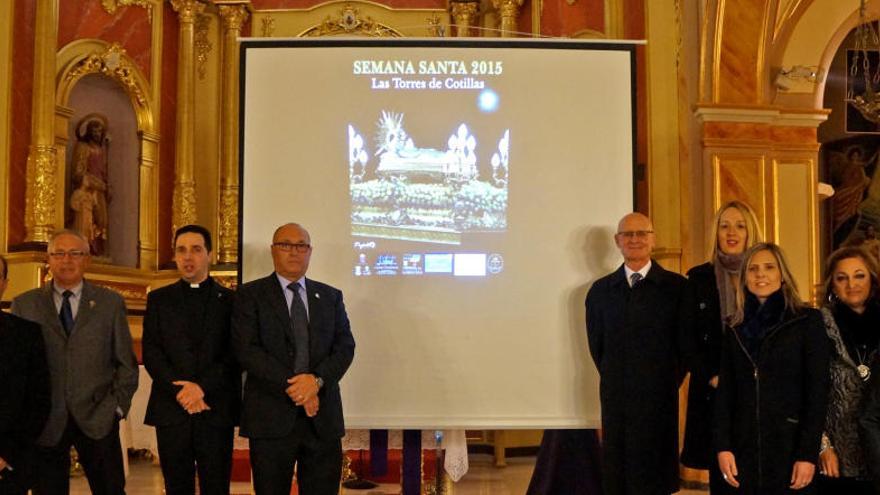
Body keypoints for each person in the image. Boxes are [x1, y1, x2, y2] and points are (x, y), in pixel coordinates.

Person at [11, 229, 138, 495]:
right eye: (59, 253)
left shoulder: (109, 303)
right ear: (49, 259)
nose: (66, 260)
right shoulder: (26, 305)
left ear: (87, 260)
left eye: (74, 254)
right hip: (46, 420)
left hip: (98, 416)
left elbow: (126, 364)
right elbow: (17, 369)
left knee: (111, 489)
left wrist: (116, 408)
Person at [232, 222, 355, 494]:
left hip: (322, 419)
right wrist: (300, 389)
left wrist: (317, 381)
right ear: (273, 250)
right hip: (270, 417)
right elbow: (246, 350)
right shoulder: (249, 295)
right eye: (286, 245)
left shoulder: (330, 297)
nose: (294, 252)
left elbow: (345, 347)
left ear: (310, 252)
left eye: (301, 246)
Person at [585, 212, 692, 495]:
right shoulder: (600, 292)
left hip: (660, 399)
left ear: (653, 239)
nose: (635, 239)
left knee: (655, 477)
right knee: (618, 478)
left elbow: (684, 347)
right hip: (617, 398)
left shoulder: (677, 288)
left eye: (642, 233)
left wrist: (664, 380)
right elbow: (598, 348)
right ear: (617, 241)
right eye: (628, 234)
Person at [715, 243, 830, 494]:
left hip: (790, 445)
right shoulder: (734, 327)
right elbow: (725, 394)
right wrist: (723, 446)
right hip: (743, 447)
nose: (760, 274)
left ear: (782, 274)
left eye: (769, 267)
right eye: (753, 269)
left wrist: (808, 454)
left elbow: (817, 393)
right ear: (744, 276)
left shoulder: (807, 320)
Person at [142, 225, 240, 495]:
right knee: (176, 486)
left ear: (209, 254)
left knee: (216, 486)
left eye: (196, 250)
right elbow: (152, 352)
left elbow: (234, 354)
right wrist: (182, 391)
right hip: (172, 408)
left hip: (214, 408)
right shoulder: (159, 300)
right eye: (181, 250)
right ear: (174, 256)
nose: (188, 257)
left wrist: (201, 388)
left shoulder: (231, 301)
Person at [681, 200, 762, 492]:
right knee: (723, 476)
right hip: (715, 389)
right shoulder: (698, 278)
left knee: (758, 469)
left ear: (750, 232)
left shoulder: (765, 276)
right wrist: (712, 376)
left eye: (740, 226)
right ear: (716, 232)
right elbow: (687, 340)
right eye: (725, 225)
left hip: (758, 389)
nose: (732, 232)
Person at [814, 246, 880, 494]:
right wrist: (823, 446)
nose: (851, 284)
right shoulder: (819, 325)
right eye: (842, 278)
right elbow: (809, 391)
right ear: (832, 285)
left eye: (859, 275)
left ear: (872, 280)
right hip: (837, 457)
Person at [0, 254, 51, 495]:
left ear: (5, 284)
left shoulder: (26, 335)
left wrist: (7, 454)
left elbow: (38, 401)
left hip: (8, 462)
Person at [70, 115, 109, 256]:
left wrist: (105, 186)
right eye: (94, 131)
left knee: (102, 221)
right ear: (88, 132)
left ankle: (98, 250)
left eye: (99, 131)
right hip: (88, 189)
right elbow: (78, 172)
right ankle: (88, 248)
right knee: (87, 221)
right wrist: (91, 182)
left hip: (100, 190)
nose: (97, 134)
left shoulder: (102, 150)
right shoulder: (83, 147)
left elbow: (104, 171)